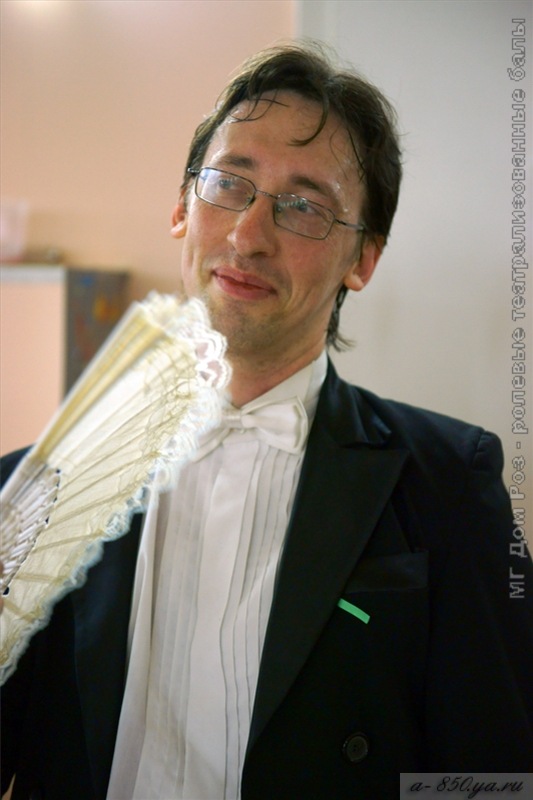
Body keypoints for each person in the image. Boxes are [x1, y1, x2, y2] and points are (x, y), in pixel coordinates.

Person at [1, 42, 532, 800]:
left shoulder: (448, 481)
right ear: (182, 208)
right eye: (229, 184)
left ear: (363, 259)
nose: (249, 235)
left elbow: (490, 774)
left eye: (304, 206)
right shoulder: (42, 487)